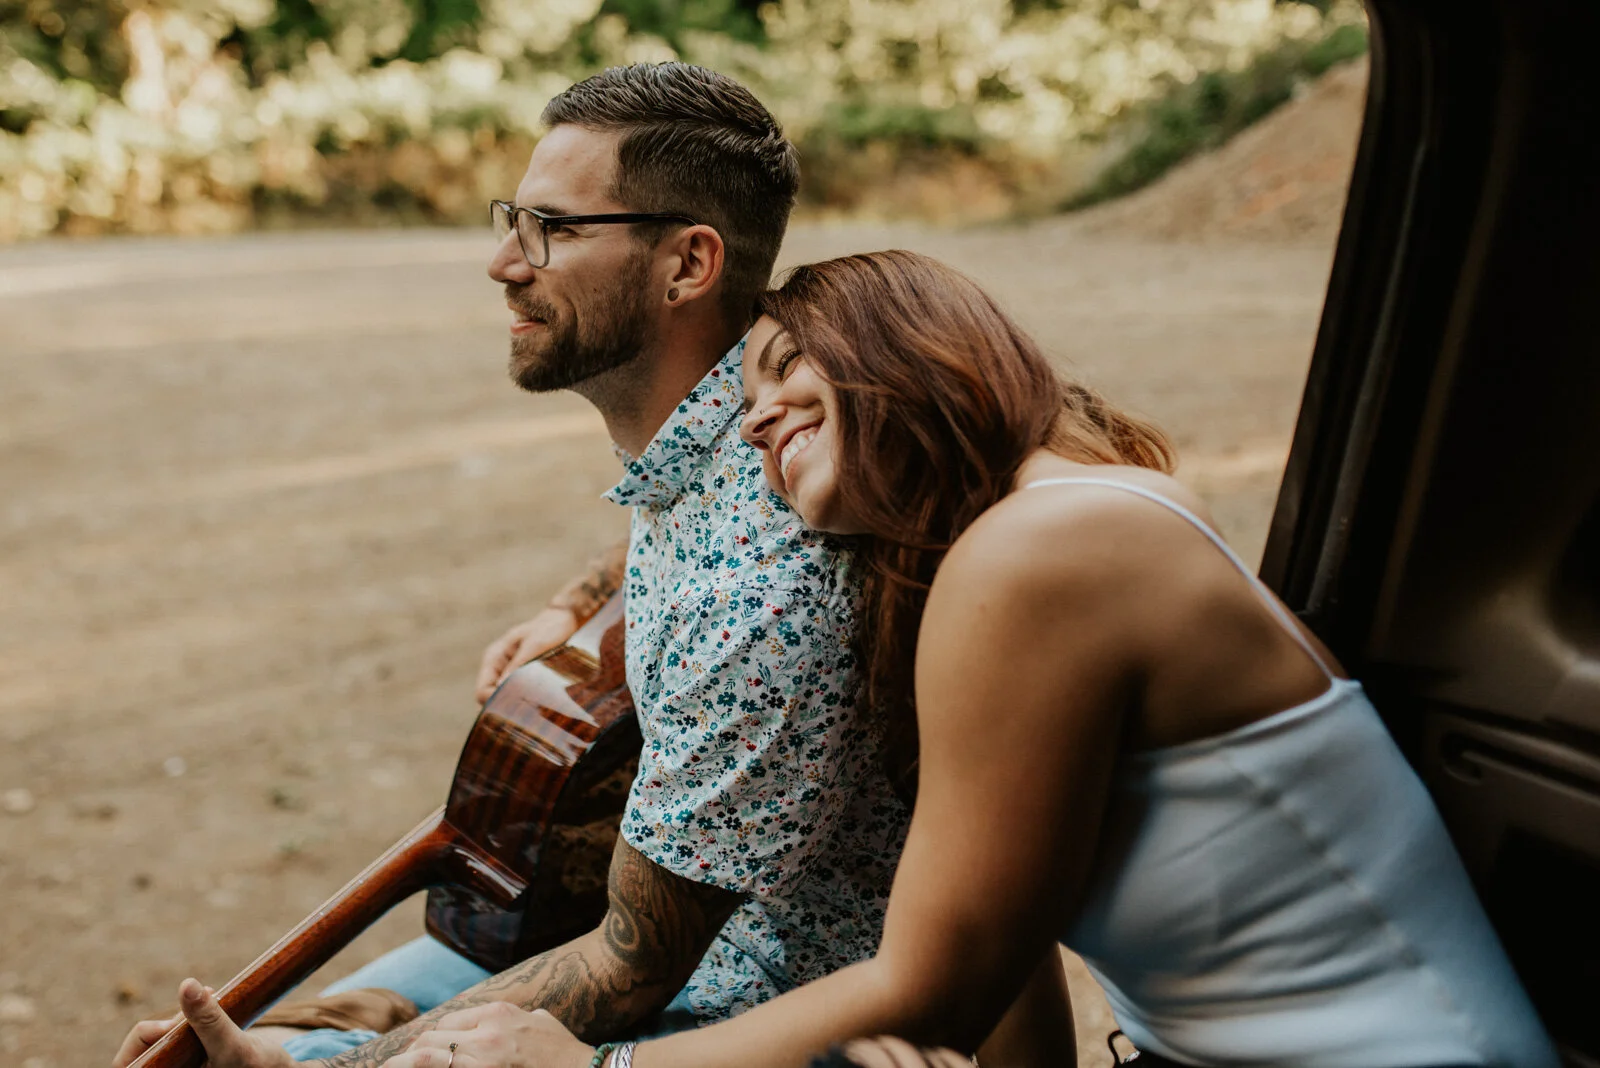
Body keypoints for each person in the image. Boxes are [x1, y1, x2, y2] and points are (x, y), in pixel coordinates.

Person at [374, 250, 1560, 1068]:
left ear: (907, 349)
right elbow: (996, 944)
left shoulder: (1044, 554)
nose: (753, 415)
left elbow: (929, 980)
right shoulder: (1041, 531)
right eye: (741, 394)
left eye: (786, 365)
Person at [111, 66, 911, 1068]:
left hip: (744, 1015)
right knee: (330, 1004)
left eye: (552, 229)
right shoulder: (735, 440)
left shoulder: (756, 585)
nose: (503, 262)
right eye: (511, 220)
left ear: (687, 265)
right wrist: (576, 609)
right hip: (648, 957)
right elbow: (677, 527)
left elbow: (629, 966)